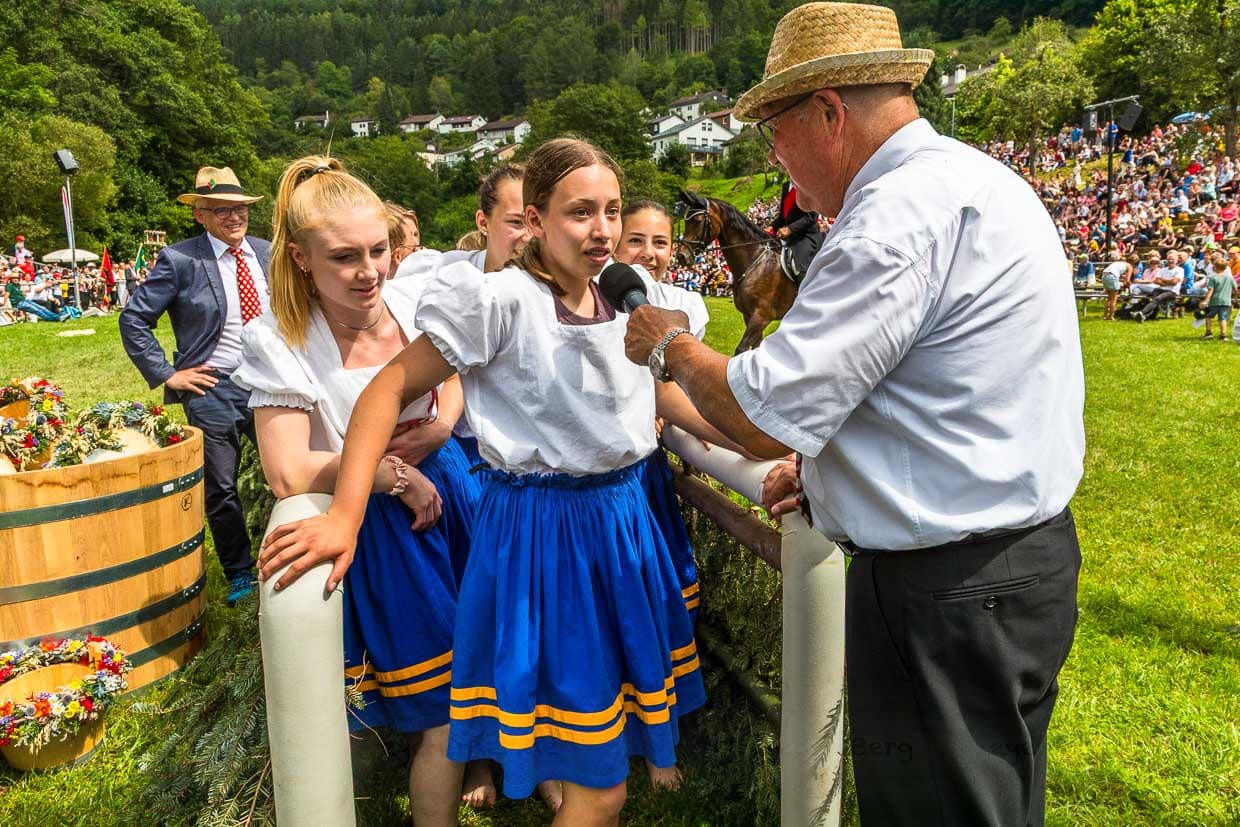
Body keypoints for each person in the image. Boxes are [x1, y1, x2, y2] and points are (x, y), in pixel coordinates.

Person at [622, 4, 1083, 824]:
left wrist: (674, 348)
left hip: (942, 591)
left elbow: (766, 416)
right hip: (1008, 569)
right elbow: (927, 390)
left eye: (774, 128)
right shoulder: (975, 181)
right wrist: (833, 471)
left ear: (828, 112)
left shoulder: (893, 217)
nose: (774, 154)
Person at [262, 138, 722, 825]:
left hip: (622, 523)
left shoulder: (629, 293)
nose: (600, 229)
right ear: (532, 220)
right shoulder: (499, 301)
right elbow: (385, 390)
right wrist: (347, 513)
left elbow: (661, 398)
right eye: (578, 213)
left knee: (603, 749)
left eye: (611, 210)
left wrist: (761, 446)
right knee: (599, 780)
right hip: (547, 533)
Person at [234, 156, 482, 825]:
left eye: (378, 249)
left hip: (454, 497)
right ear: (302, 258)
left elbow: (452, 371)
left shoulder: (409, 296)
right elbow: (287, 468)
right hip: (375, 526)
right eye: (345, 257)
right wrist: (390, 475)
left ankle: (485, 767)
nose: (370, 271)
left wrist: (441, 426)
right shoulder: (280, 338)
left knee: (481, 652)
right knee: (439, 699)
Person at [120, 166, 270, 605]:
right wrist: (169, 373)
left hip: (272, 381)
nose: (233, 217)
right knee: (221, 486)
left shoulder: (267, 251)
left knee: (290, 471)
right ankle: (241, 572)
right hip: (213, 387)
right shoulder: (181, 259)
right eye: (221, 210)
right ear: (199, 215)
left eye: (239, 208)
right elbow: (134, 320)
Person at [769, 178, 823, 282]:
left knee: (800, 264)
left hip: (805, 235)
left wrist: (790, 229)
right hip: (788, 236)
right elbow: (782, 217)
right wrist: (772, 226)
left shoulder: (807, 184)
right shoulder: (786, 186)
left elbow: (811, 217)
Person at [1199, 251, 1233, 341]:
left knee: (1208, 317)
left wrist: (1206, 301)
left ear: (1215, 267)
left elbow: (1211, 290)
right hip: (1226, 301)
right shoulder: (1229, 278)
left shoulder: (1213, 278)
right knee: (1223, 318)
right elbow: (1235, 287)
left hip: (1215, 301)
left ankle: (1208, 333)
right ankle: (1223, 335)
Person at [1101, 252, 1134, 320]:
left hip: (1104, 275)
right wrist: (1131, 287)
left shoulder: (1119, 263)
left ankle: (1105, 316)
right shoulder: (1130, 266)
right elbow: (1128, 281)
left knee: (1109, 299)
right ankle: (1111, 316)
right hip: (1112, 276)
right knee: (1114, 299)